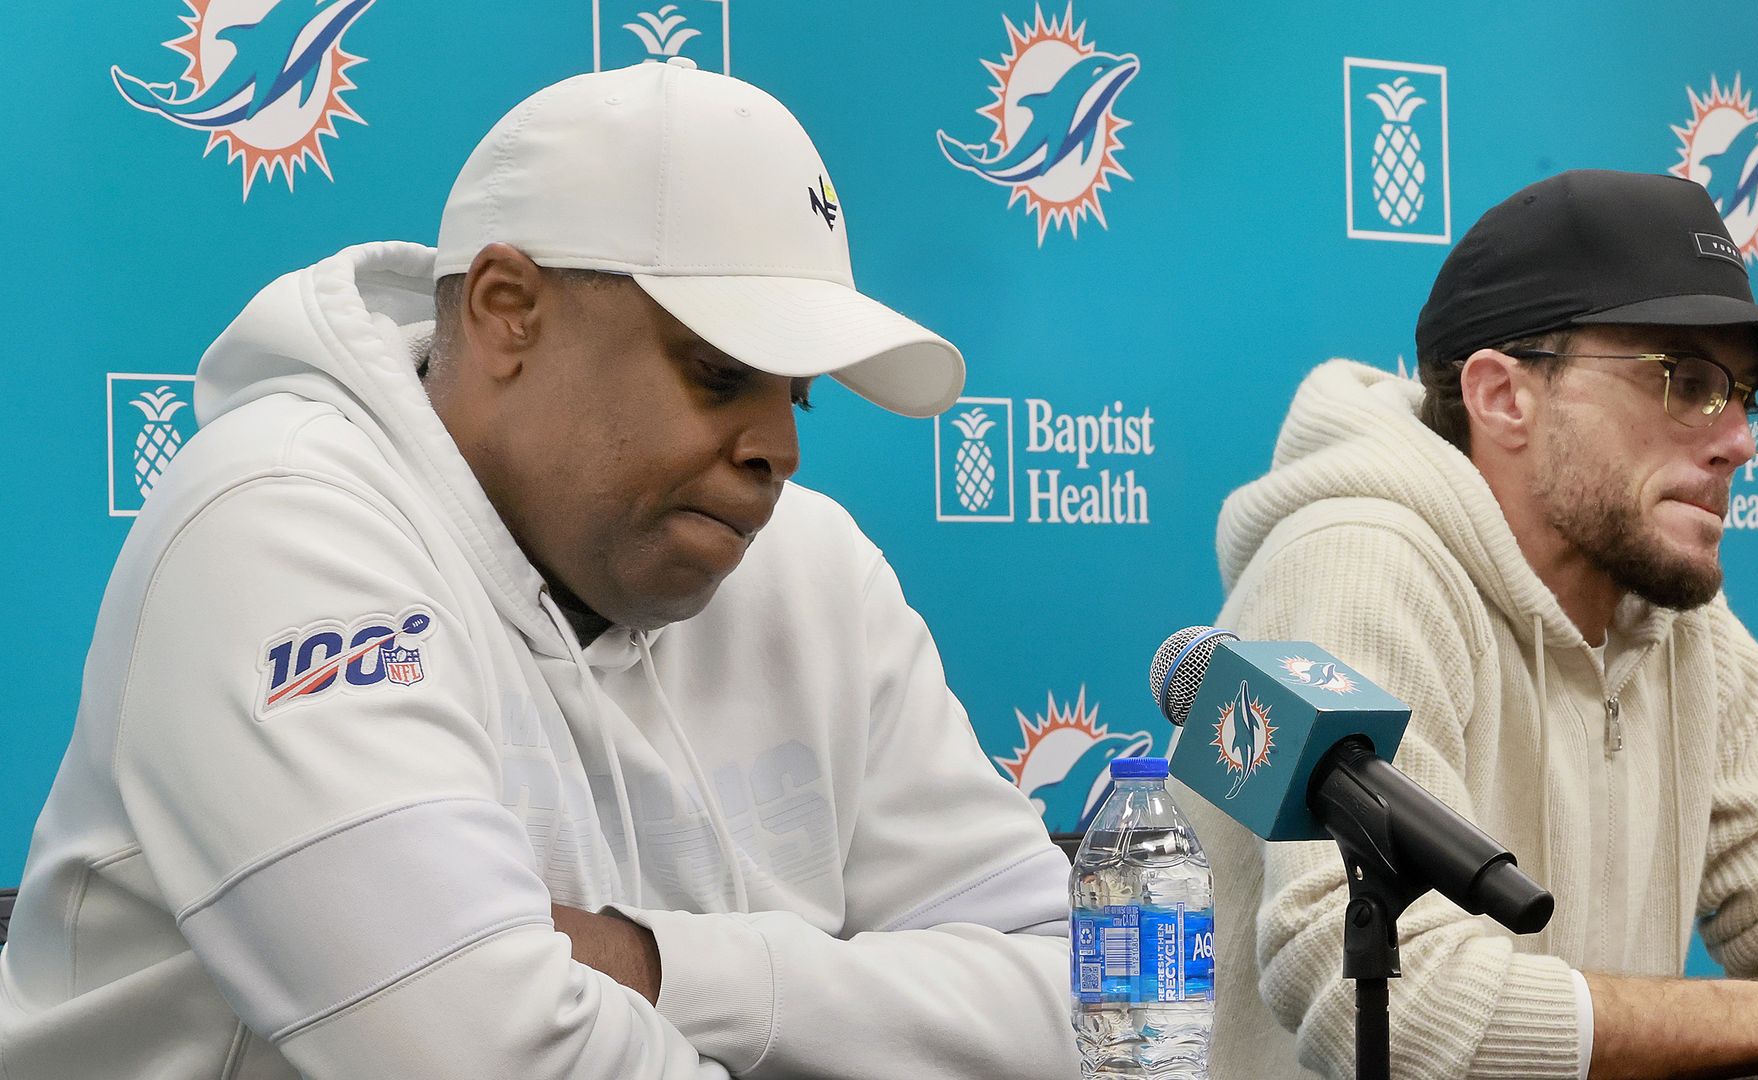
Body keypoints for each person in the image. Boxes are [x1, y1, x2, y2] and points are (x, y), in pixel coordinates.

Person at [0, 61, 1075, 1079]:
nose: (778, 452)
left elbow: (1083, 1000)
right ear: (509, 312)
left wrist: (664, 970)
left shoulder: (816, 566)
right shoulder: (275, 524)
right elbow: (478, 1051)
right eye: (719, 374)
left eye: (797, 394)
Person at [1181, 169, 1758, 1080]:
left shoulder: (1677, 623)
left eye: (1748, 396)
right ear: (1503, 397)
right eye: (1687, 380)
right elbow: (1381, 1005)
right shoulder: (1346, 568)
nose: (1736, 438)